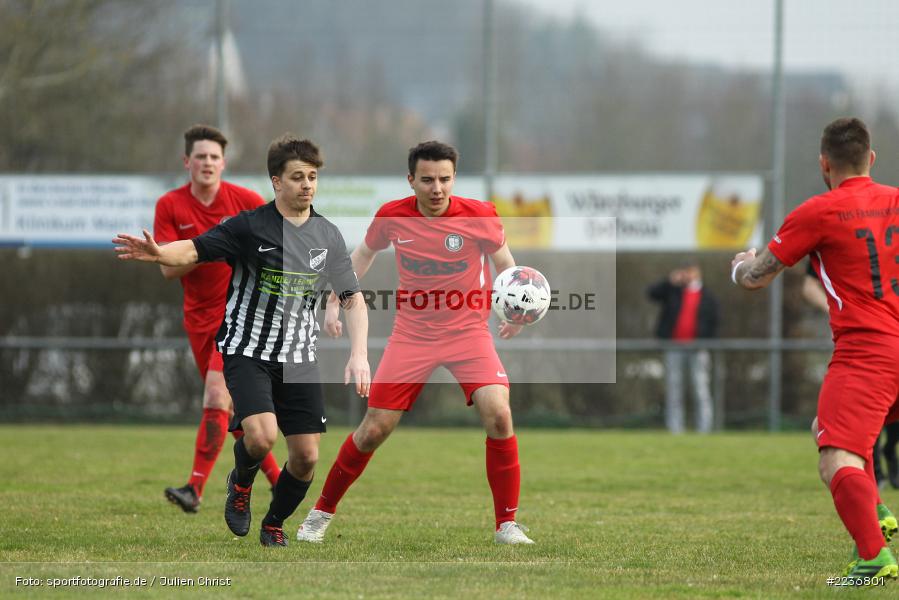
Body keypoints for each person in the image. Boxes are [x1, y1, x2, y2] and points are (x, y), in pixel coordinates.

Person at [115, 134, 370, 547]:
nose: (307, 185)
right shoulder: (250, 226)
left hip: (300, 357)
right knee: (262, 436)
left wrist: (359, 355)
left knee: (306, 458)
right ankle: (241, 481)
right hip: (247, 350)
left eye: (312, 177)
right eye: (297, 177)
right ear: (276, 182)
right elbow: (195, 250)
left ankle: (273, 523)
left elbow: (353, 299)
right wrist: (161, 253)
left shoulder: (328, 235)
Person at [295, 140, 534, 545]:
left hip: (468, 334)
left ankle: (506, 526)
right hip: (412, 337)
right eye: (427, 180)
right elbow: (363, 255)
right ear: (411, 180)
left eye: (444, 179)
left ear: (454, 178)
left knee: (500, 416)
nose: (437, 188)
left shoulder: (480, 216)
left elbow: (507, 267)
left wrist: (515, 312)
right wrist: (334, 299)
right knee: (373, 430)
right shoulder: (392, 216)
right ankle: (318, 515)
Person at [731, 117, 899, 581]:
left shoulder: (820, 211)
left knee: (836, 457)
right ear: (872, 159)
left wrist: (740, 265)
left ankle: (872, 558)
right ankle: (878, 512)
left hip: (870, 351)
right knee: (824, 426)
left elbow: (756, 277)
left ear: (824, 164)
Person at [154, 124, 281, 513]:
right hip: (197, 319)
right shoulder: (170, 205)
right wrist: (209, 246)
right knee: (230, 410)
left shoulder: (245, 200)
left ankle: (194, 488)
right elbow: (168, 270)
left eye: (214, 156)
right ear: (187, 161)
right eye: (200, 156)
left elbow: (271, 254)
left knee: (214, 396)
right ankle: (282, 482)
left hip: (238, 316)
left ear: (223, 162)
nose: (207, 162)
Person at [803, 261, 899, 490]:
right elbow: (809, 285)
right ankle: (869, 475)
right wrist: (837, 306)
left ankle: (888, 452)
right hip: (862, 337)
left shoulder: (886, 233)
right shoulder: (838, 236)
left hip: (890, 335)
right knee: (856, 415)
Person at [646, 261, 718, 433]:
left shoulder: (707, 297)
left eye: (691, 272)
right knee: (674, 390)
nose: (688, 276)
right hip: (674, 348)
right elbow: (651, 294)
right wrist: (669, 282)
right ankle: (675, 429)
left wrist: (704, 341)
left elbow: (714, 323)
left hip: (698, 349)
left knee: (700, 389)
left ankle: (704, 429)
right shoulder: (673, 292)